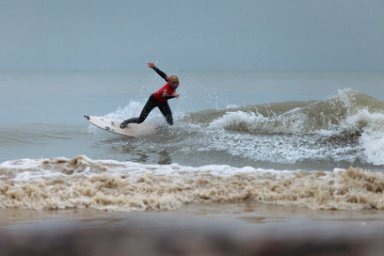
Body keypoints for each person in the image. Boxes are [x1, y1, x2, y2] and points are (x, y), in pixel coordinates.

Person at [120, 62, 180, 128]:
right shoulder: (167, 88)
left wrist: (154, 67)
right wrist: (173, 96)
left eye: (176, 83)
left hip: (162, 102)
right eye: (173, 83)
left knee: (170, 121)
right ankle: (125, 122)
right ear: (170, 82)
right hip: (153, 100)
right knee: (140, 119)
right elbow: (164, 96)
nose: (175, 85)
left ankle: (162, 129)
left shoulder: (170, 80)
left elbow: (163, 75)